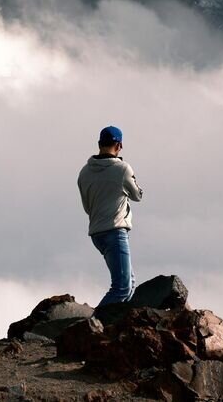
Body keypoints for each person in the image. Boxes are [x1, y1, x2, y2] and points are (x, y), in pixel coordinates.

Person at [78, 125, 144, 308]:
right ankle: (93, 326)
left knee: (129, 284)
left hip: (97, 233)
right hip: (115, 231)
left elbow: (87, 206)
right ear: (119, 145)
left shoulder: (84, 172)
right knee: (122, 287)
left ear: (99, 144)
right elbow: (137, 195)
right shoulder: (122, 169)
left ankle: (114, 328)